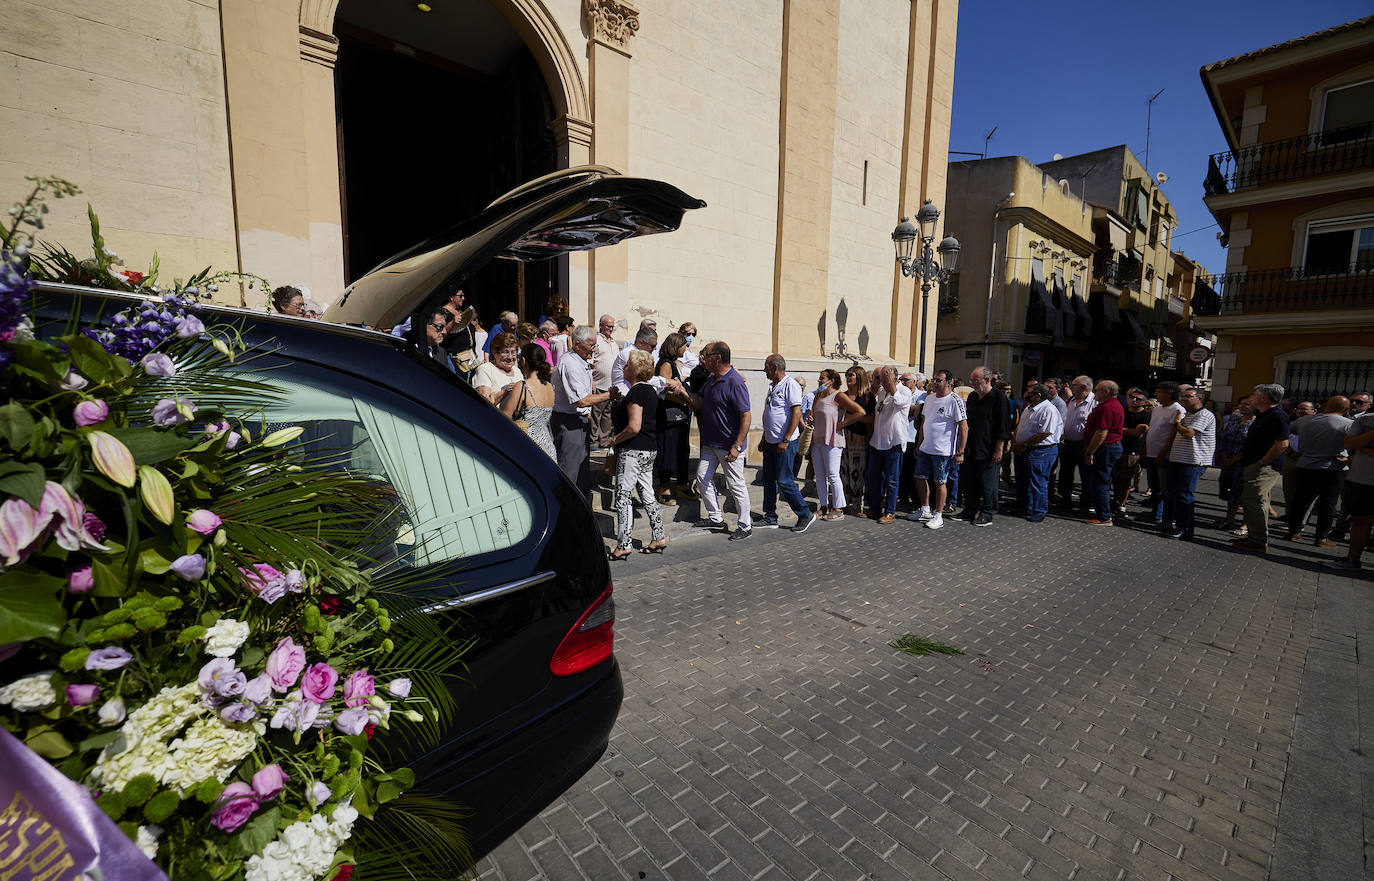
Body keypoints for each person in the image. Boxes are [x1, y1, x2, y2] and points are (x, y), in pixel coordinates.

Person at [678, 341, 753, 540]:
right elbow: (699, 402)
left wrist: (737, 445)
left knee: (736, 485)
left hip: (729, 446)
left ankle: (745, 526)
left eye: (707, 355)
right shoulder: (711, 378)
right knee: (702, 479)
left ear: (717, 357)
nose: (703, 359)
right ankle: (715, 517)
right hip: (710, 443)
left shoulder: (735, 382)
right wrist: (682, 392)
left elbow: (746, 416)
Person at [607, 350, 667, 560]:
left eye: (627, 365)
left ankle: (624, 544)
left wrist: (615, 440)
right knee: (647, 492)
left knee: (623, 497)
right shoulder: (650, 391)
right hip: (649, 449)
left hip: (633, 450)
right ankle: (659, 535)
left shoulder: (636, 393)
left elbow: (634, 426)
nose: (624, 368)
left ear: (634, 369)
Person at [551, 326, 616, 494]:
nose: (594, 349)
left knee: (581, 472)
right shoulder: (570, 364)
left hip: (578, 421)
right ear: (578, 344)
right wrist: (610, 395)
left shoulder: (580, 361)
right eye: (591, 345)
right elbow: (582, 400)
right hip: (568, 422)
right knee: (570, 472)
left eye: (595, 345)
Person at [758, 355, 816, 532]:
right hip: (770, 441)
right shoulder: (772, 386)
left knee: (784, 481)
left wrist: (786, 439)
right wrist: (763, 437)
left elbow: (796, 413)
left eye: (766, 366)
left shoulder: (790, 384)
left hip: (784, 443)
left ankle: (805, 513)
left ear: (775, 367)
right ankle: (770, 516)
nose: (764, 369)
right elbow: (771, 414)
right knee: (768, 480)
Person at [1287, 397, 1352, 547]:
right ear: (1346, 409)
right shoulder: (1349, 424)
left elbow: (1286, 431)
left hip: (1306, 465)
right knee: (1328, 503)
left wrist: (1291, 451)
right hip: (1333, 467)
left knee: (1301, 499)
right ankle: (1321, 538)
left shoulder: (1304, 421)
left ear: (1324, 406)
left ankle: (1294, 532)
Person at [1234, 383, 1291, 553]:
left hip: (1263, 467)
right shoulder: (1263, 414)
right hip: (1255, 465)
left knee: (1254, 501)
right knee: (1253, 501)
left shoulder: (1277, 416)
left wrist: (1260, 464)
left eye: (1254, 394)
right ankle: (1254, 536)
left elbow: (1282, 444)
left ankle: (1257, 540)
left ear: (1264, 398)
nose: (1251, 397)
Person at [909, 369, 966, 529]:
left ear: (949, 382)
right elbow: (924, 423)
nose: (935, 383)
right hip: (926, 448)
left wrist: (960, 451)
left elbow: (963, 427)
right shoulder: (930, 398)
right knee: (920, 477)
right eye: (934, 380)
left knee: (940, 482)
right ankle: (925, 510)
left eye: (939, 380)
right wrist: (919, 444)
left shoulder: (955, 400)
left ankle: (938, 515)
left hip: (943, 450)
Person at [810, 368, 865, 521]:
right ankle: (823, 506)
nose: (819, 380)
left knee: (833, 475)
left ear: (831, 380)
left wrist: (843, 423)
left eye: (822, 378)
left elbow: (860, 411)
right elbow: (813, 414)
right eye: (819, 378)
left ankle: (838, 508)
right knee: (820, 475)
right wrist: (810, 418)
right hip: (818, 440)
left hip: (833, 440)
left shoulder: (838, 396)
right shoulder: (818, 395)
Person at [959, 366, 1010, 527]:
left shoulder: (999, 397)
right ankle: (970, 510)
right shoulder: (973, 397)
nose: (972, 383)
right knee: (970, 481)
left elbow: (1003, 425)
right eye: (971, 380)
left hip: (989, 448)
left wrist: (999, 449)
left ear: (987, 380)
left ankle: (988, 512)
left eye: (975, 380)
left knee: (989, 484)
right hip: (972, 447)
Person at [1163, 388, 1216, 540]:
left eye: (1187, 396)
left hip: (1193, 461)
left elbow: (1189, 433)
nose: (1182, 398)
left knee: (1185, 495)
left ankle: (1185, 529)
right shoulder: (1187, 414)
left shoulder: (1205, 414)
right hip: (1179, 458)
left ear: (1199, 398)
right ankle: (1175, 524)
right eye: (1182, 396)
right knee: (1176, 494)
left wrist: (1177, 423)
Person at [863, 367, 914, 524]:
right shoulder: (880, 392)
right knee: (873, 477)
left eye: (882, 377)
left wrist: (890, 383)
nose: (879, 381)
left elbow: (898, 402)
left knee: (892, 480)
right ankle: (875, 508)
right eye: (878, 377)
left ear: (894, 378)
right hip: (877, 441)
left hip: (894, 442)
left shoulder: (904, 391)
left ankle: (890, 511)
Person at [1327, 401, 1374, 570]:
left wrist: (1364, 447)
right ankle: (1352, 560)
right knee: (1360, 521)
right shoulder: (1365, 421)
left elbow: (1356, 444)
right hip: (1361, 479)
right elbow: (1349, 444)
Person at [1012, 383, 1062, 523]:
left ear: (1038, 396)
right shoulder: (1030, 408)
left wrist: (1026, 444)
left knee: (1038, 482)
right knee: (1023, 481)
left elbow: (1045, 432)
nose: (1027, 395)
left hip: (1039, 451)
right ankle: (1025, 507)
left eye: (1030, 393)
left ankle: (1039, 511)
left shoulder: (1048, 409)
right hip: (1024, 449)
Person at [500, 343, 557, 460]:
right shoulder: (550, 387)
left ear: (524, 361)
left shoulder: (522, 386)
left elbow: (506, 416)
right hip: (548, 446)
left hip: (528, 446)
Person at [1138, 381, 1183, 526]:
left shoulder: (1177, 410)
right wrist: (1146, 447)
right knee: (1154, 486)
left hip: (1164, 455)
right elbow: (1153, 429)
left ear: (1168, 393)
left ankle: (1164, 517)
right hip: (1151, 453)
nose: (1156, 394)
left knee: (1165, 488)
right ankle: (1155, 513)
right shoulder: (1157, 409)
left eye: (1159, 391)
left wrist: (1163, 452)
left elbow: (1173, 434)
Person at [654, 332, 692, 504]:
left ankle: (682, 486)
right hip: (669, 416)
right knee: (667, 451)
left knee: (681, 450)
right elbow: (663, 390)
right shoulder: (666, 364)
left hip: (679, 415)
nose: (687, 347)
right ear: (676, 346)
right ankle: (664, 488)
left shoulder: (674, 363)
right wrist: (686, 400)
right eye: (684, 344)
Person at [1081, 379, 1124, 527]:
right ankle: (1102, 513)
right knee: (1102, 481)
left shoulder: (1106, 408)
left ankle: (1104, 517)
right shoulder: (1111, 405)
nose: (1094, 394)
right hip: (1108, 448)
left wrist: (1089, 452)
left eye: (1097, 390)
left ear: (1106, 392)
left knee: (1101, 482)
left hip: (1105, 449)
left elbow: (1101, 433)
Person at [1057, 376, 1097, 512]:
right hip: (1067, 443)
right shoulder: (1072, 400)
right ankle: (1065, 500)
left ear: (1084, 387)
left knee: (1086, 475)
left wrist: (1090, 448)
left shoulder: (1094, 402)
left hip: (1084, 445)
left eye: (1074, 385)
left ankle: (1086, 504)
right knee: (1065, 474)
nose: (1070, 387)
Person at [1216, 399, 1255, 531]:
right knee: (1231, 492)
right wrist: (1223, 455)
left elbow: (1250, 446)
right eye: (1241, 404)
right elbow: (1223, 437)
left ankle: (1245, 524)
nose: (1242, 407)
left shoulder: (1256, 423)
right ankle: (1229, 520)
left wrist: (1234, 459)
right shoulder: (1234, 420)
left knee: (1244, 494)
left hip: (1244, 463)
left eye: (1247, 404)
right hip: (1228, 461)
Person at [840, 366, 873, 516]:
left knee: (858, 472)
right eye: (846, 375)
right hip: (842, 436)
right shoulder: (843, 395)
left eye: (851, 375)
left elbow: (872, 418)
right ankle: (844, 502)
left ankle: (858, 505)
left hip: (860, 437)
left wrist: (855, 416)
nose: (848, 377)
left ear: (859, 377)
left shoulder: (867, 396)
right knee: (843, 470)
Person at [1113, 388, 1150, 516]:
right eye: (1132, 397)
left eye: (1138, 399)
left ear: (1144, 402)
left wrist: (1118, 429)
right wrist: (1125, 430)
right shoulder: (1122, 411)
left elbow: (1136, 433)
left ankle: (1121, 504)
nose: (1134, 400)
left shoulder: (1146, 416)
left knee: (1125, 479)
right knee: (1114, 478)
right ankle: (1115, 500)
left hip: (1132, 451)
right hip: (1116, 447)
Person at [590, 315, 620, 449]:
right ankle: (593, 441)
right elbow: (589, 362)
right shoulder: (596, 340)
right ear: (601, 325)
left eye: (613, 326)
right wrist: (591, 381)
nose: (611, 329)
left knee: (607, 415)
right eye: (608, 326)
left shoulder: (613, 343)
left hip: (612, 385)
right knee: (596, 415)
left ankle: (603, 441)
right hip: (599, 383)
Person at [473, 331, 520, 404]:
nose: (510, 357)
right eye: (505, 352)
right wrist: (505, 392)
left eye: (513, 352)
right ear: (494, 352)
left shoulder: (517, 371)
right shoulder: (485, 369)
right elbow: (484, 403)